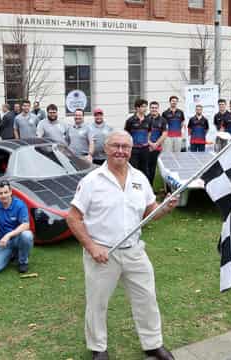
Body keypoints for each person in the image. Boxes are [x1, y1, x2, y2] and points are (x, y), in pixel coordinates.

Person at [66, 130, 178, 360]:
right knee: (97, 303)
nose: (120, 151)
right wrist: (91, 247)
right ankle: (98, 348)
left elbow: (149, 211)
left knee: (146, 299)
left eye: (125, 147)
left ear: (130, 150)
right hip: (103, 253)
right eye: (115, 146)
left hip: (135, 251)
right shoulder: (92, 181)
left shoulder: (139, 178)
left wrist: (165, 208)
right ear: (105, 149)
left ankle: (153, 344)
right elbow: (73, 217)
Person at [125, 98, 151, 177]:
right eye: (143, 106)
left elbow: (149, 132)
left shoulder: (148, 120)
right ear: (137, 108)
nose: (145, 109)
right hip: (134, 150)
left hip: (145, 149)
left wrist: (147, 142)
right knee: (133, 170)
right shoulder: (130, 120)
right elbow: (126, 134)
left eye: (146, 106)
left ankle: (144, 187)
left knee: (145, 170)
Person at [146, 101, 167, 184]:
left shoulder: (163, 120)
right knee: (145, 168)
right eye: (152, 108)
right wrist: (150, 144)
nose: (154, 109)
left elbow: (164, 134)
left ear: (158, 109)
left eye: (155, 108)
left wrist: (155, 145)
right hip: (146, 147)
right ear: (149, 108)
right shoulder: (145, 118)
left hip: (156, 148)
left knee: (152, 168)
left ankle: (150, 186)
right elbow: (143, 133)